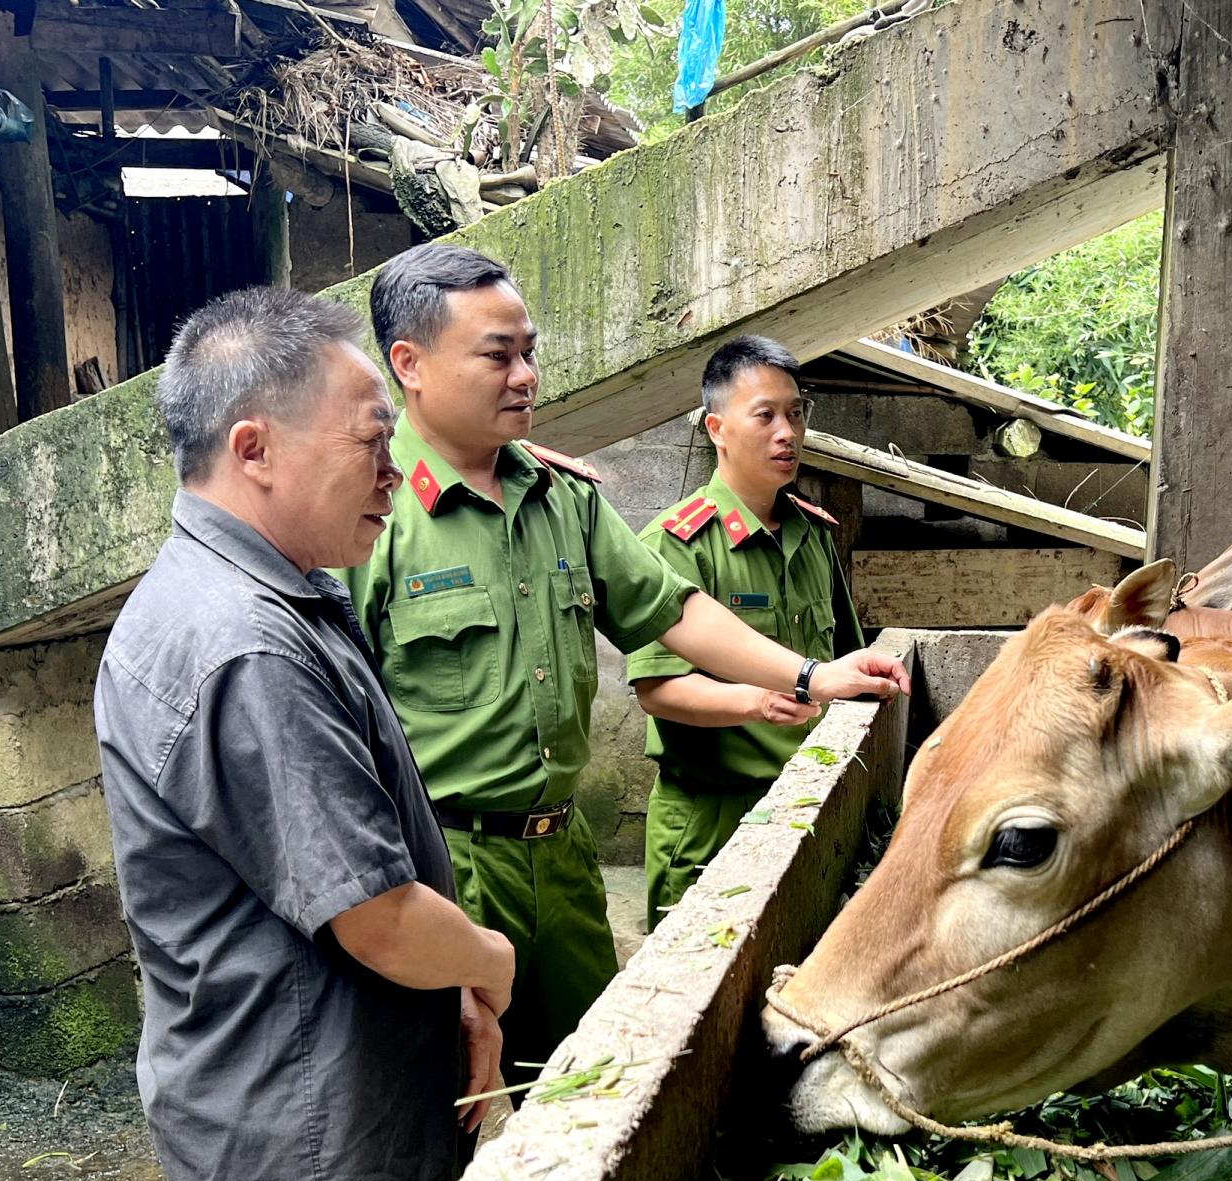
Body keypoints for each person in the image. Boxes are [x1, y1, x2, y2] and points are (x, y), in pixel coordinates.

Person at [342, 243, 909, 1087]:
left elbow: (673, 610)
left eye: (528, 350)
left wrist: (808, 676)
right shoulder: (368, 522)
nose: (526, 374)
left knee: (584, 1089)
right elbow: (342, 737)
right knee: (438, 1106)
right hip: (443, 863)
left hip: (562, 859)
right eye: (497, 355)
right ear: (409, 364)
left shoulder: (563, 500)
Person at [93, 288, 515, 1181]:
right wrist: (486, 962)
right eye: (374, 441)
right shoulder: (246, 644)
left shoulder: (257, 596)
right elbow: (374, 916)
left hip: (308, 1116)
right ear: (256, 449)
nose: (393, 471)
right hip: (313, 1151)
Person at [628, 337, 866, 928]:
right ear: (718, 428)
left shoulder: (812, 534)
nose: (786, 432)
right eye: (764, 415)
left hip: (807, 805)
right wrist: (758, 702)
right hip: (711, 820)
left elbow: (841, 660)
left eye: (796, 413)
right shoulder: (674, 544)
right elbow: (658, 691)